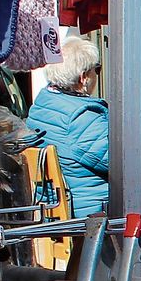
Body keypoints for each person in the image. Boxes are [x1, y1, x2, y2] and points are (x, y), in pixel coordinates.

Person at [27, 36, 111, 217]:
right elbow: (120, 161)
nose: (98, 74)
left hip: (57, 212)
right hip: (93, 219)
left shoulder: (41, 105)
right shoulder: (81, 118)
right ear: (84, 77)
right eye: (97, 69)